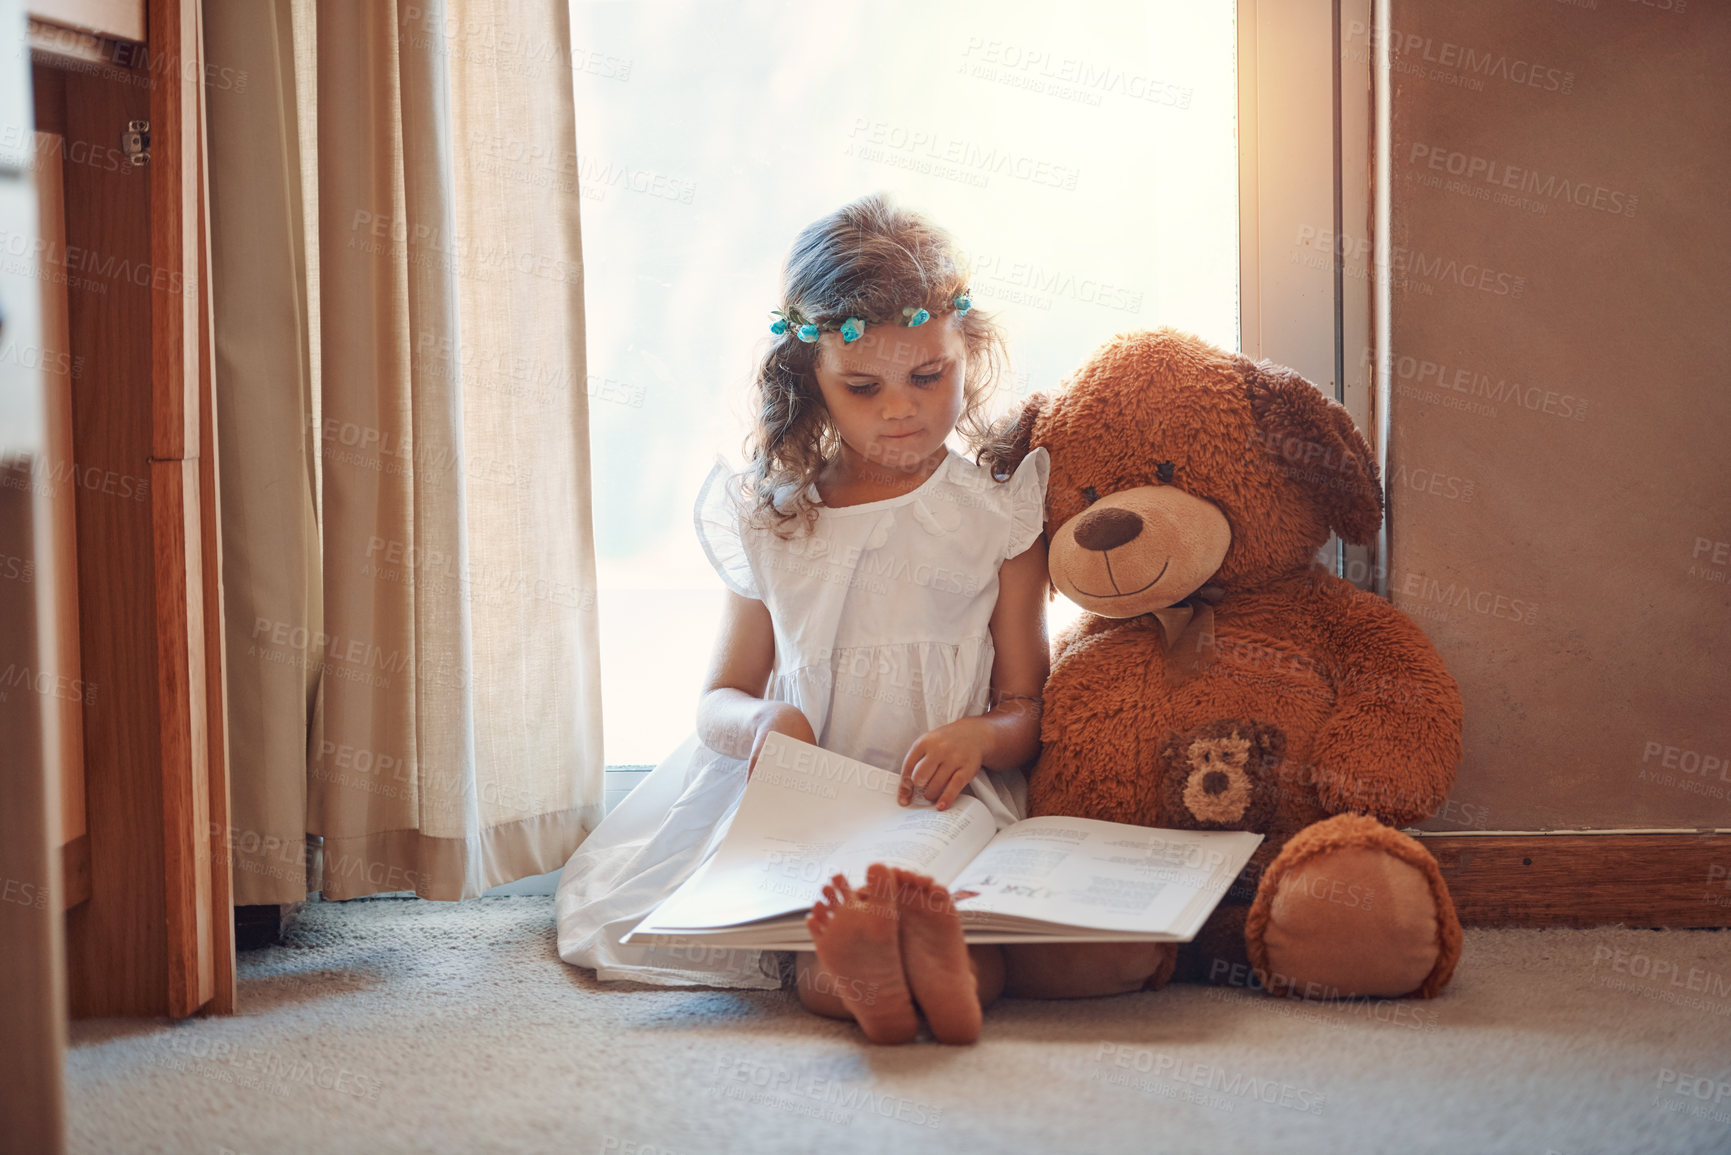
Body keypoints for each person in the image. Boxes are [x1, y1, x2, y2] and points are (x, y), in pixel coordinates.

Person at [555, 191, 1051, 1043]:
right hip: (805, 810)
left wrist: (980, 737)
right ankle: (868, 988)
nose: (901, 409)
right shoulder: (776, 517)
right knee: (817, 957)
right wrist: (758, 725)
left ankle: (946, 976)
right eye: (864, 386)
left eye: (927, 376)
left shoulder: (997, 516)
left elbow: (1026, 704)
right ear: (810, 382)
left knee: (975, 937)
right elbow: (720, 696)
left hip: (939, 804)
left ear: (966, 351)